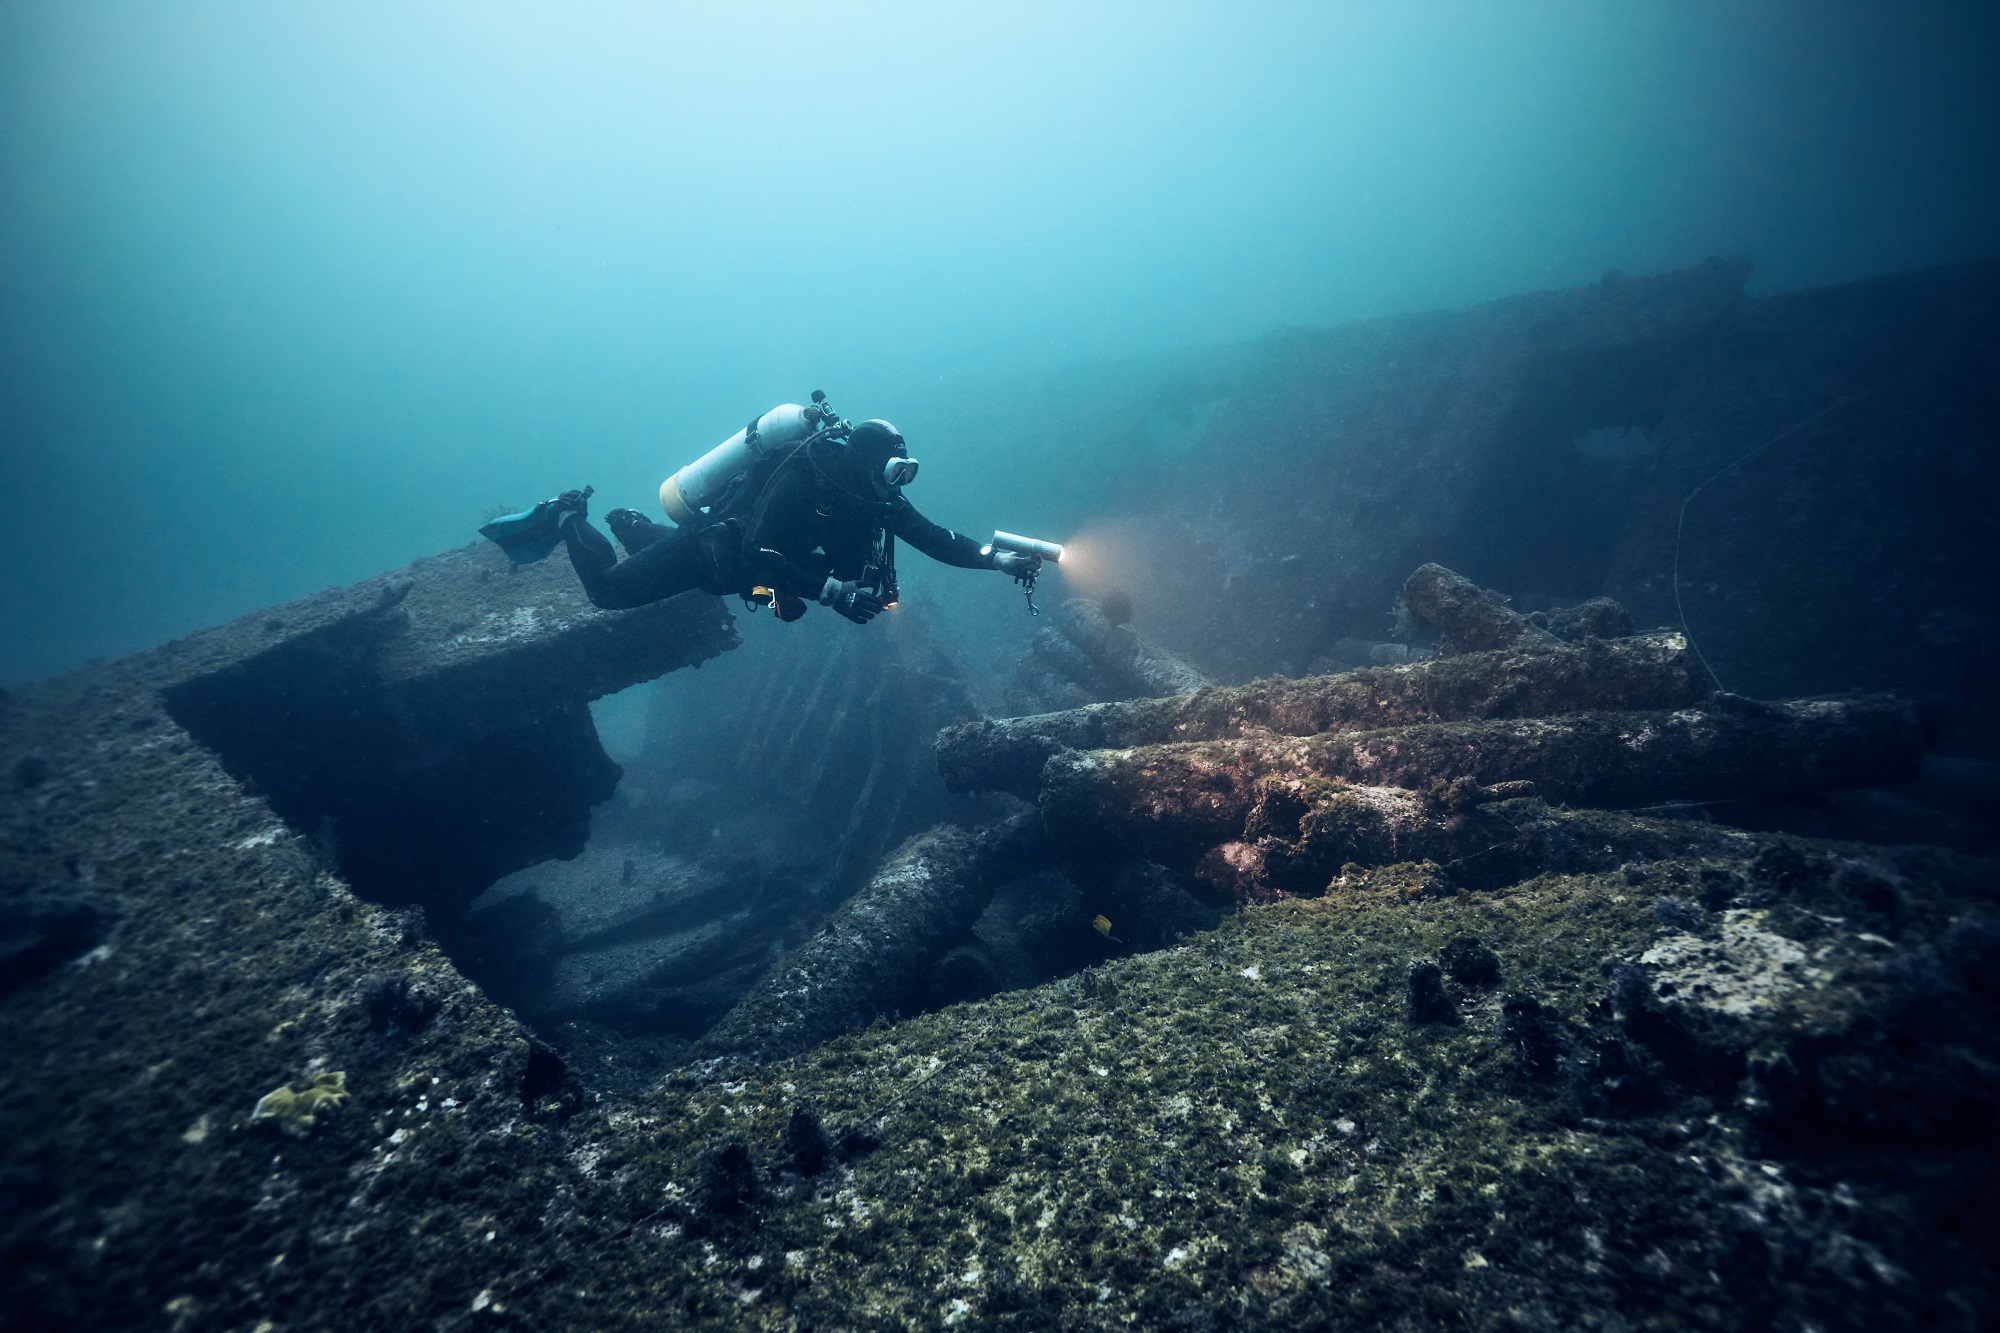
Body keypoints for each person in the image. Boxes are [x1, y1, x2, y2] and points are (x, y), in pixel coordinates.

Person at [494, 418, 1037, 624]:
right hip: (718, 554)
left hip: (739, 580)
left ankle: (636, 528)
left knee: (758, 594)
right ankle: (568, 514)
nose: (897, 482)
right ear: (864, 460)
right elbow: (757, 554)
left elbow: (935, 539)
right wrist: (832, 593)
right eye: (893, 468)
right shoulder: (804, 477)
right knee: (609, 593)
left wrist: (996, 560)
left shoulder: (877, 498)